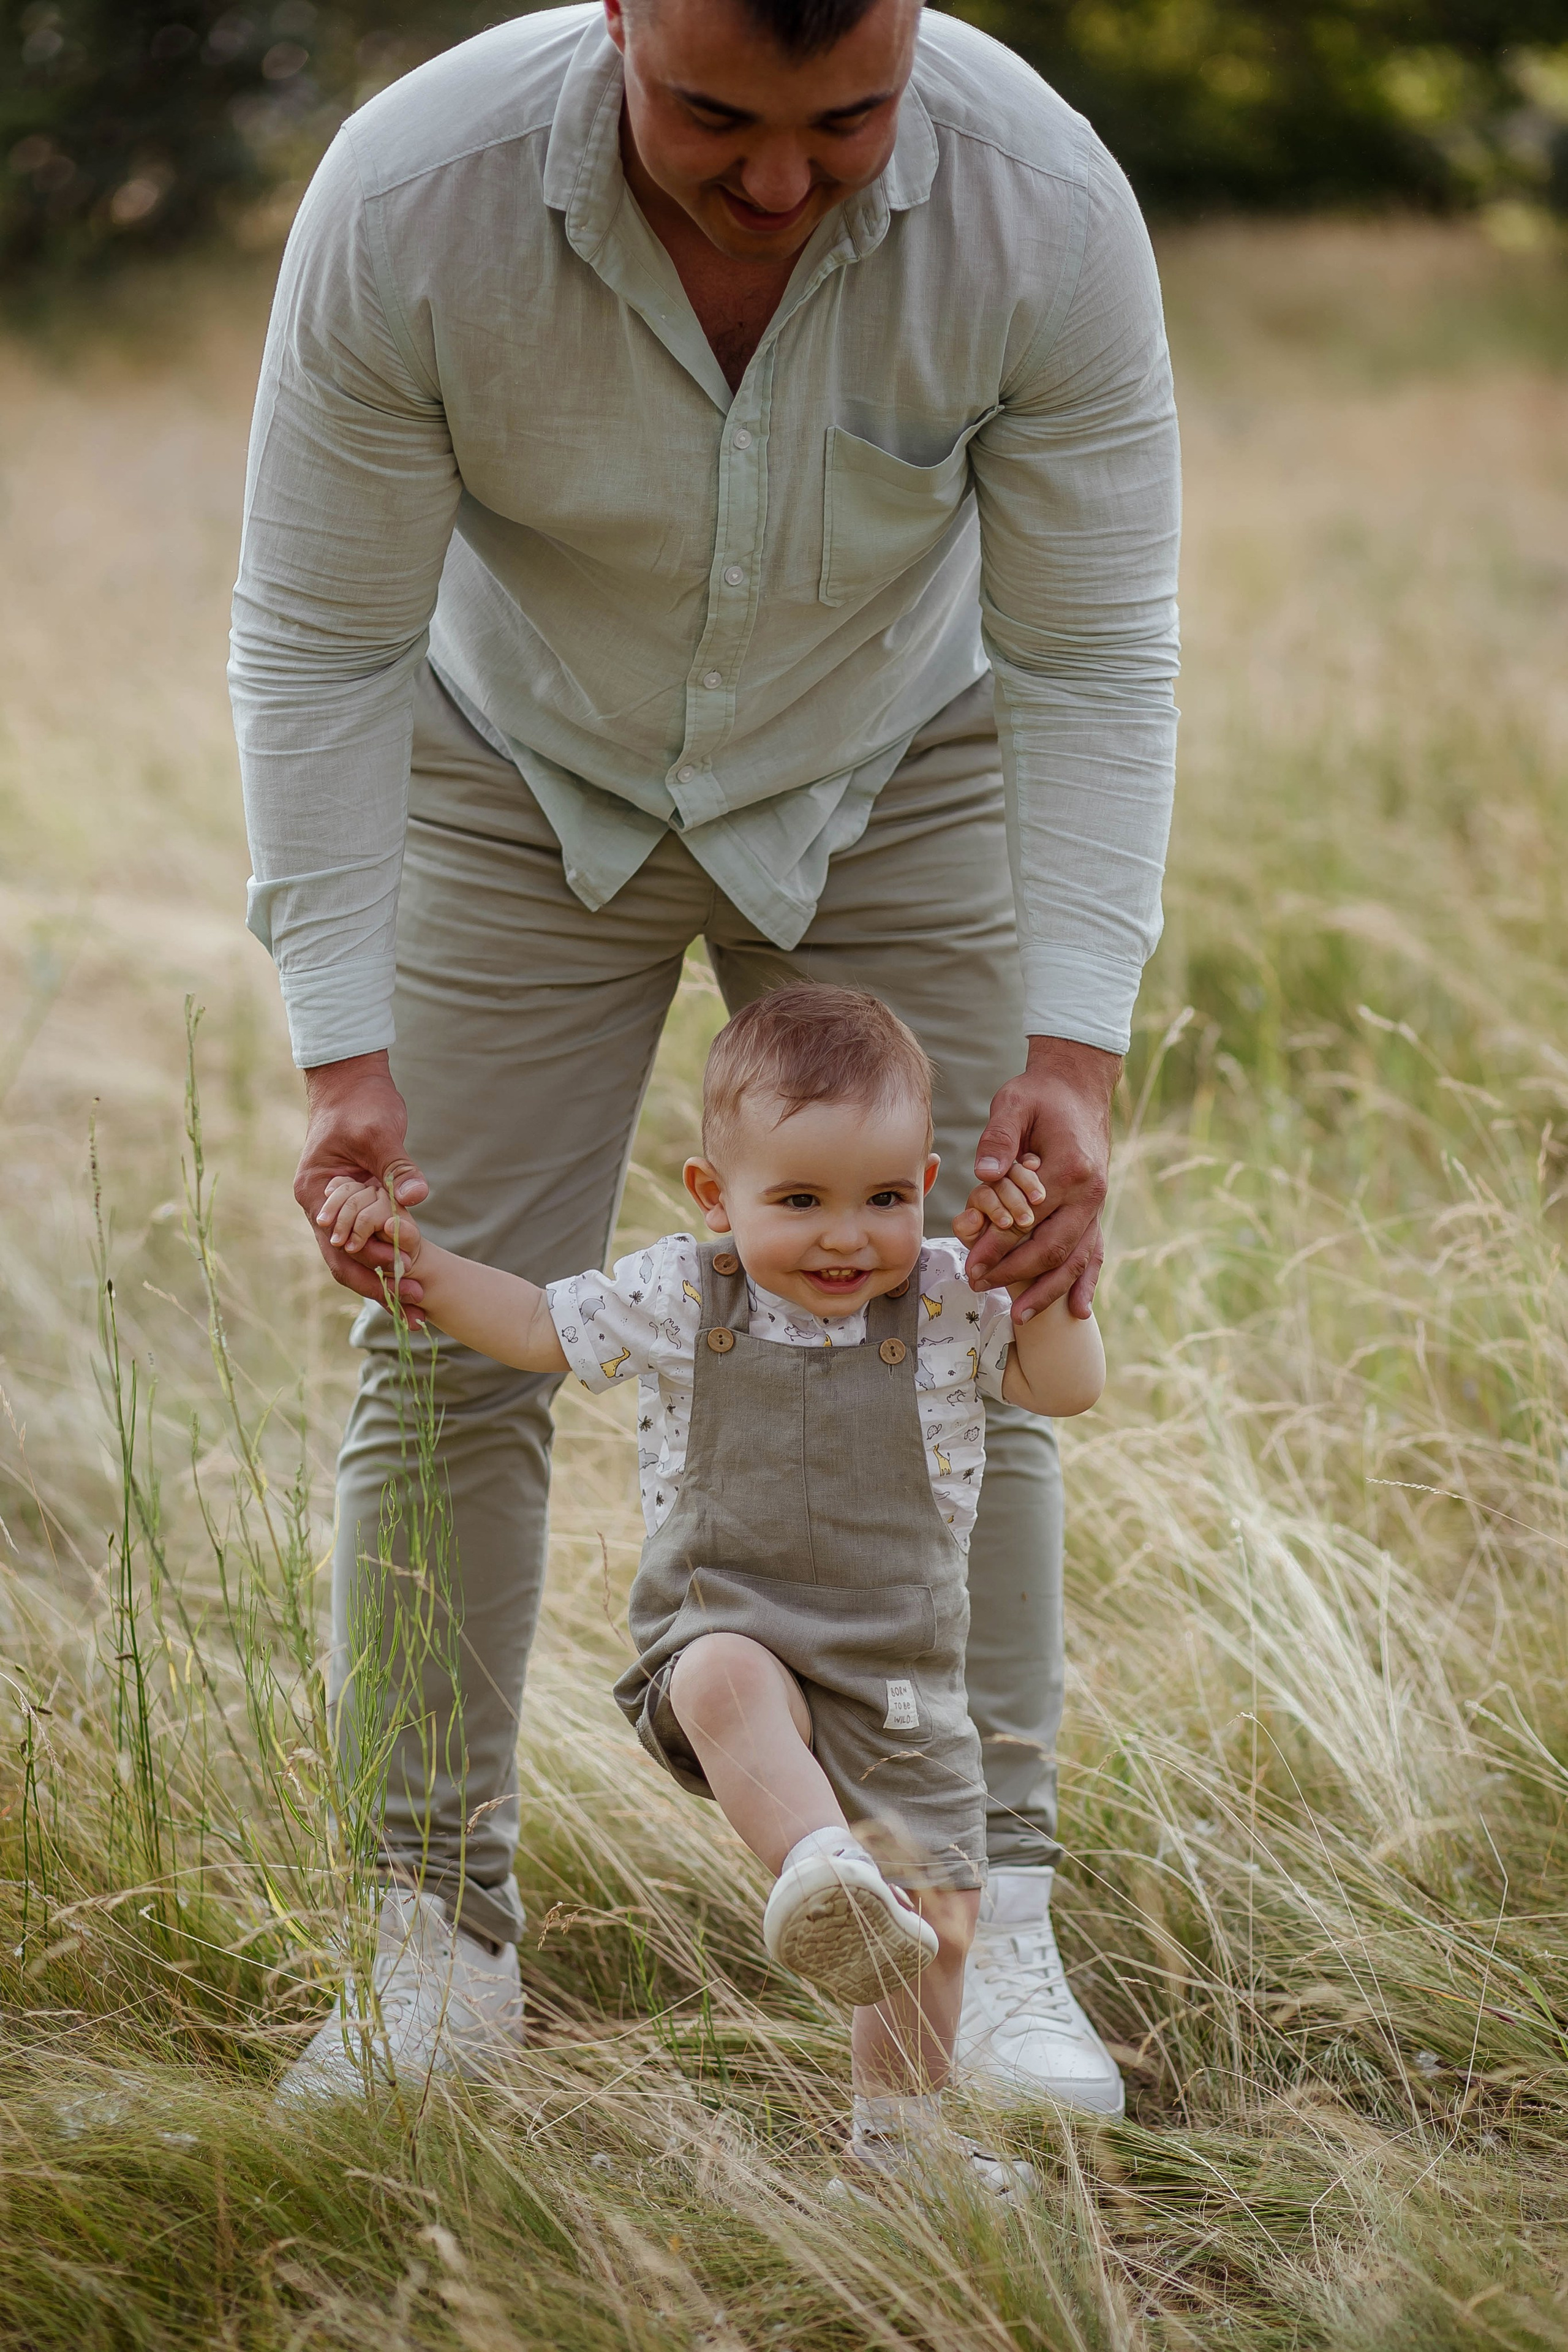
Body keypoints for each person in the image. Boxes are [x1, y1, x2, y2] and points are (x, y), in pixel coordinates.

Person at [231, 0, 1179, 2111]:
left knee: (970, 1316)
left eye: (846, 124)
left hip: (890, 761)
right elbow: (320, 635)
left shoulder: (1042, 211)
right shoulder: (412, 199)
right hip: (505, 772)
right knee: (434, 1342)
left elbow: (1097, 644)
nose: (776, 181)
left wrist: (1076, 1055)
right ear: (621, 17)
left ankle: (987, 1922)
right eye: (713, 119)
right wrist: (341, 1051)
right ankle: (429, 1937)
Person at [294, 987, 1104, 2195]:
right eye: (799, 1202)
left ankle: (899, 2151)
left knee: (932, 1914)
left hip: (898, 1664)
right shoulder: (683, 1295)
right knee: (727, 1675)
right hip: (730, 1626)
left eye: (883, 1199)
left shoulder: (942, 1297)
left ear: (925, 1182)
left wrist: (1040, 1283)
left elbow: (1064, 1389)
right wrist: (413, 1260)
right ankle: (817, 1870)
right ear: (713, 1196)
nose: (846, 1238)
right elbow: (526, 1326)